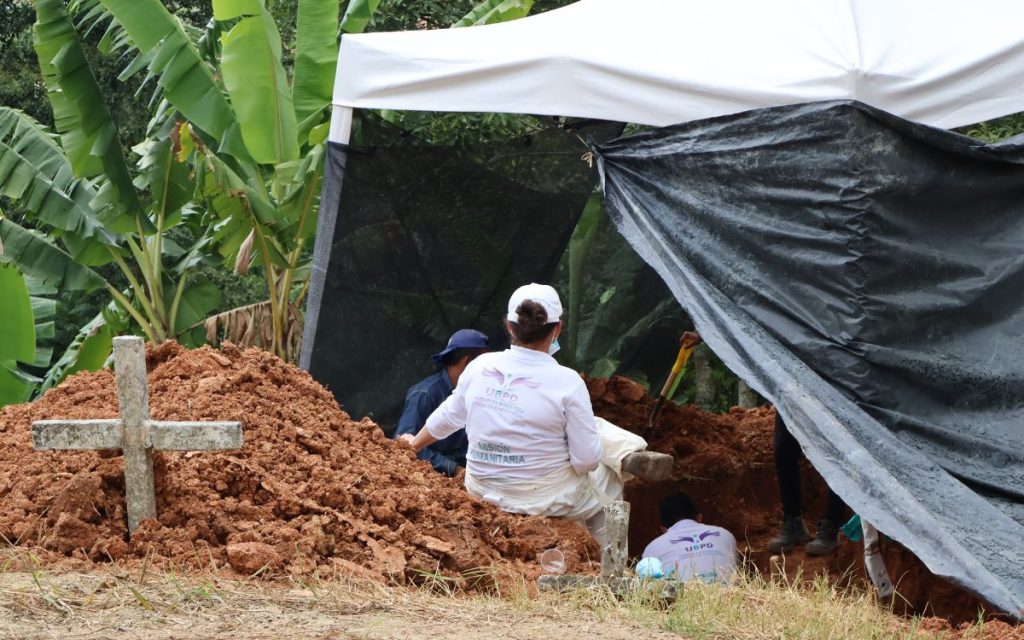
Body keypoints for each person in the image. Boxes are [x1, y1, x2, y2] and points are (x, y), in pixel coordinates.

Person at [399, 283, 667, 545]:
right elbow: (586, 461)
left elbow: (448, 416)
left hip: (481, 488)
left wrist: (414, 444)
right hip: (542, 499)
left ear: (509, 326)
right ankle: (602, 569)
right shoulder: (567, 381)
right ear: (557, 329)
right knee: (608, 481)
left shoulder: (480, 366)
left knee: (586, 435)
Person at [393, 329, 490, 477]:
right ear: (468, 362)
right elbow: (403, 444)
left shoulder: (479, 393)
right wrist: (454, 469)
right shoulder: (424, 394)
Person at [766, 413, 847, 555]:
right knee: (783, 449)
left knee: (837, 450)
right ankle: (793, 523)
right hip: (794, 391)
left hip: (835, 393)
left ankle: (831, 528)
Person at [640, 491, 737, 583]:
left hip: (682, 599)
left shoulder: (652, 548)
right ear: (699, 517)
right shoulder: (725, 535)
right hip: (731, 597)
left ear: (663, 529)